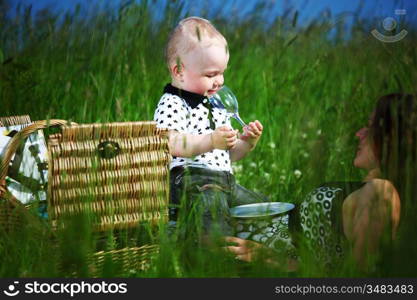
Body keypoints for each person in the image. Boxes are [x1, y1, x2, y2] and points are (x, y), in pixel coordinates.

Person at [225, 93, 417, 272]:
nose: (359, 133)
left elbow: (356, 280)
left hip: (252, 256)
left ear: (392, 139)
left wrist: (267, 257)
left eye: (370, 126)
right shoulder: (373, 188)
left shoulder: (381, 194)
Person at [153, 17, 265, 240]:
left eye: (222, 72)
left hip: (224, 181)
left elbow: (228, 156)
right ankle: (213, 256)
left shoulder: (216, 103)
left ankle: (262, 245)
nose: (220, 81)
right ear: (179, 71)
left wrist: (247, 143)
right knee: (211, 212)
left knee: (262, 208)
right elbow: (171, 143)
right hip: (190, 180)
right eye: (211, 74)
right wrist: (211, 141)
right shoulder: (173, 102)